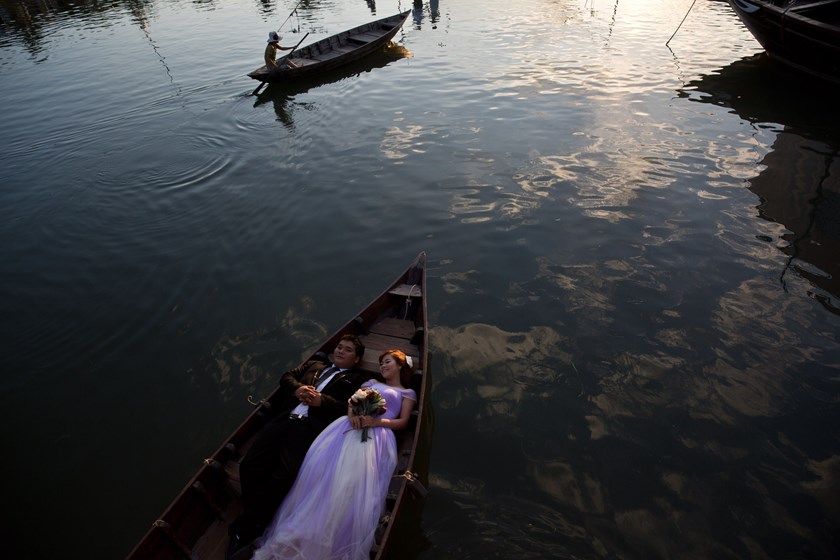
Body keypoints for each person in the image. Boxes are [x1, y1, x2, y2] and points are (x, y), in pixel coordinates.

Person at [251, 349, 418, 560]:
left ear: (400, 365)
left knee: (352, 485)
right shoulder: (370, 383)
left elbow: (402, 422)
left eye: (387, 362)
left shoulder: (407, 393)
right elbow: (351, 403)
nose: (383, 366)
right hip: (348, 428)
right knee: (324, 476)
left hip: (378, 438)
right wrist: (353, 415)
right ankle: (304, 527)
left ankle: (331, 536)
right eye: (381, 363)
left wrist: (376, 422)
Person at [227, 334, 367, 558]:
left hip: (307, 429)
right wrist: (298, 389)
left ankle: (251, 525)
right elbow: (286, 377)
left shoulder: (356, 381)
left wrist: (323, 401)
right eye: (339, 347)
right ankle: (251, 519)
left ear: (357, 359)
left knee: (284, 476)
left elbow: (347, 409)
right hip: (283, 419)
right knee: (249, 466)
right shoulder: (315, 364)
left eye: (348, 350)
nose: (340, 351)